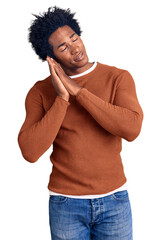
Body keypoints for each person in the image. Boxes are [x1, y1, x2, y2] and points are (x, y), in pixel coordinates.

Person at [17, 5, 144, 240]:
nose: (75, 48)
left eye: (74, 38)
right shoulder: (40, 92)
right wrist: (62, 98)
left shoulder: (118, 78)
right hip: (66, 204)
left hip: (115, 200)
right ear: (51, 57)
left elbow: (132, 129)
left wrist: (78, 91)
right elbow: (30, 151)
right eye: (63, 47)